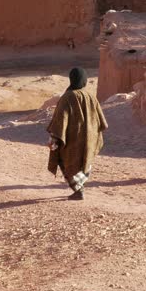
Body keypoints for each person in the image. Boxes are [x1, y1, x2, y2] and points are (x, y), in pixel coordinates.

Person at [47, 67, 108, 200]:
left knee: (67, 163)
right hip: (89, 139)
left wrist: (55, 138)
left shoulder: (67, 97)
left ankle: (78, 190)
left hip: (72, 139)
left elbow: (60, 120)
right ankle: (80, 189)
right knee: (85, 162)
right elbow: (101, 120)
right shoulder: (90, 96)